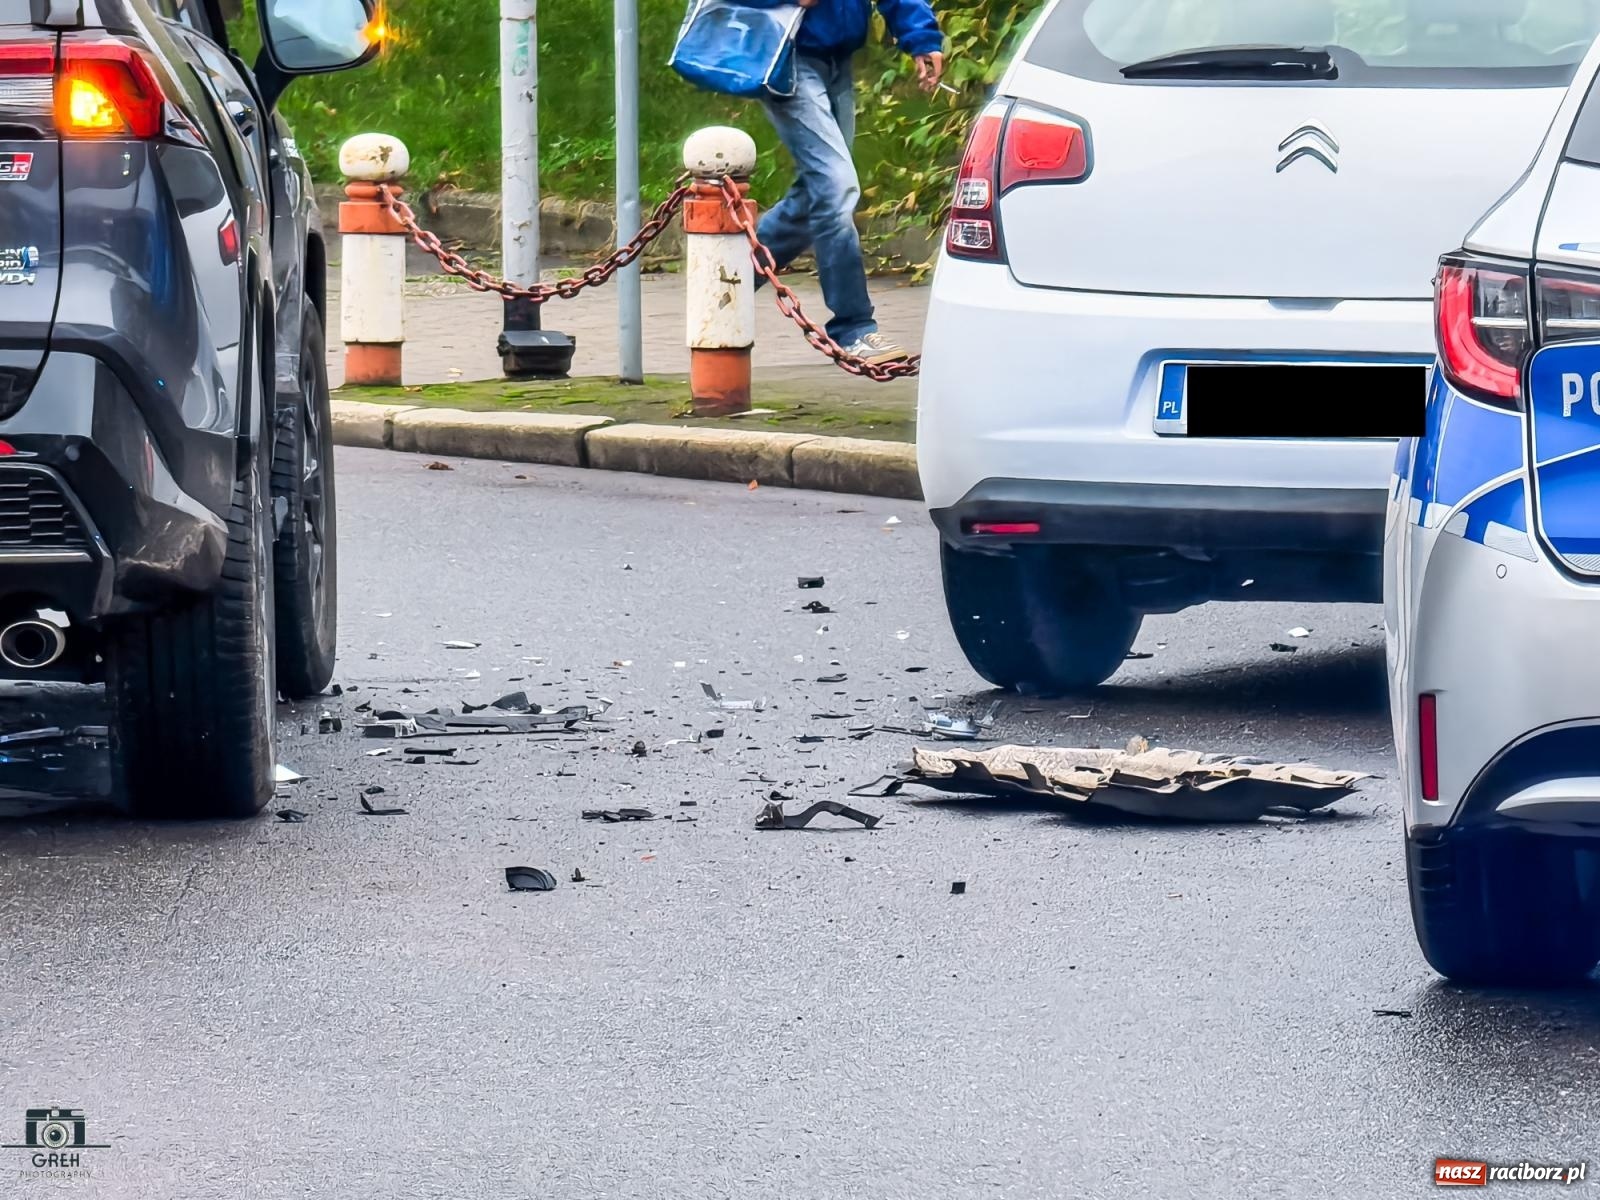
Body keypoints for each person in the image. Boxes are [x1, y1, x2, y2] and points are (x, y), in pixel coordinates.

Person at [752, 0, 945, 364]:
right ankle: (854, 328)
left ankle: (728, 282)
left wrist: (921, 36)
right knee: (836, 187)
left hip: (836, 59)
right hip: (786, 56)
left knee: (818, 194)